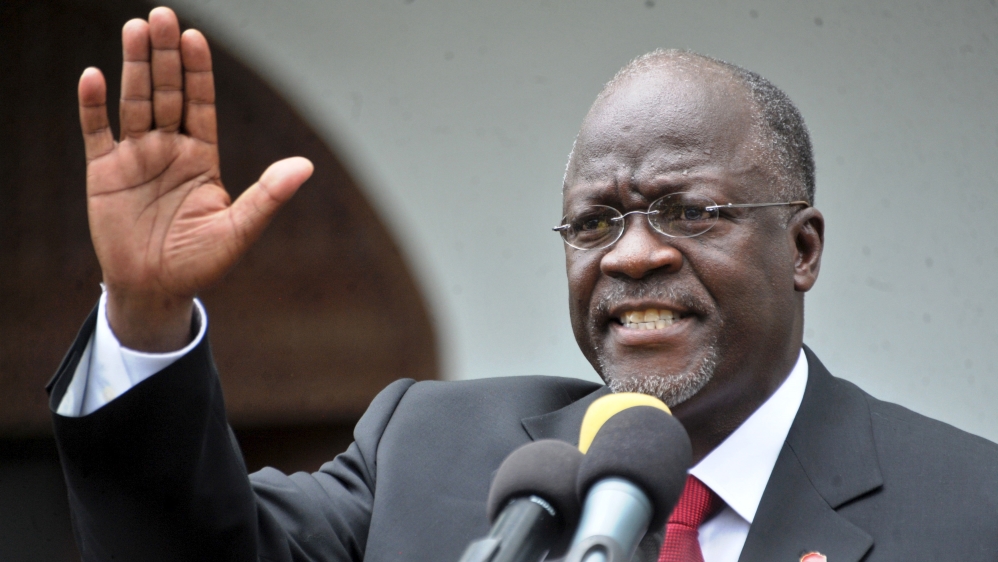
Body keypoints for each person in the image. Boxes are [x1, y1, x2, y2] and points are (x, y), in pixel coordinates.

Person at [47, 6, 998, 562]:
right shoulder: (431, 451)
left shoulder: (966, 508)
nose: (631, 257)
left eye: (688, 212)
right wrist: (146, 311)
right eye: (594, 223)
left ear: (803, 249)